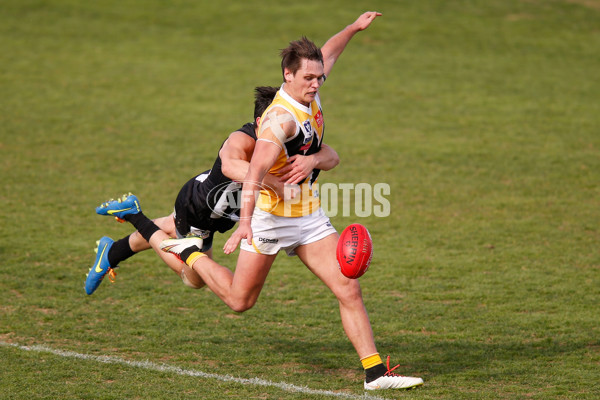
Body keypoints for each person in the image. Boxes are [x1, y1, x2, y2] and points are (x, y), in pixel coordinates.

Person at [160, 12, 424, 390]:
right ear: (288, 75)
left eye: (319, 77)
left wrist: (352, 28)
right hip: (269, 219)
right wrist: (247, 222)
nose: (317, 84)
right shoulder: (278, 123)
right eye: (309, 78)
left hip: (308, 216)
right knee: (240, 301)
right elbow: (253, 174)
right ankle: (190, 252)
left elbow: (329, 53)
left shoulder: (309, 87)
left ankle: (375, 373)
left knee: (348, 286)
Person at [85, 86, 339, 294]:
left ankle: (113, 250)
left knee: (172, 226)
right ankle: (135, 216)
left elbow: (327, 152)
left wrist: (313, 160)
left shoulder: (286, 137)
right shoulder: (242, 140)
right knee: (193, 279)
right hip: (201, 210)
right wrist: (276, 185)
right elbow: (230, 165)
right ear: (261, 121)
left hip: (223, 213)